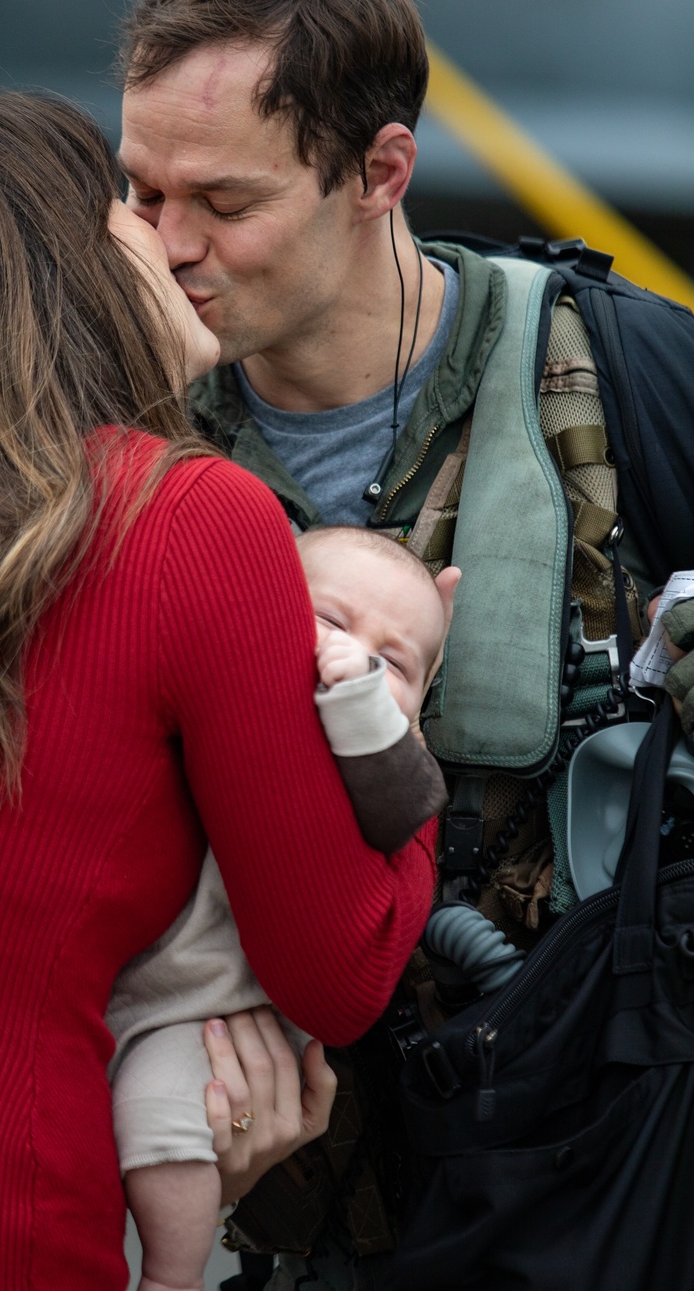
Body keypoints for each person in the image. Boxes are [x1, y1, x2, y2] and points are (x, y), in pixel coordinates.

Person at [115, 0, 694, 1288]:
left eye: (221, 202)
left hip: (605, 1196)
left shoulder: (634, 378)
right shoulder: (113, 454)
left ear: (380, 172)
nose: (168, 249)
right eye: (140, 193)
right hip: (285, 1215)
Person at [0, 90, 441, 1290]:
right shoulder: (186, 521)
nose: (162, 240)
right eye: (125, 208)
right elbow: (343, 965)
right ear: (63, 271)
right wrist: (412, 755)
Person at [110, 529, 459, 1291]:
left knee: (165, 1125)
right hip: (119, 972)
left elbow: (406, 804)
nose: (356, 656)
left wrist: (363, 703)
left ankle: (171, 1277)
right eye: (329, 620)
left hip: (213, 1016)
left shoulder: (383, 757)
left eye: (395, 663)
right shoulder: (220, 681)